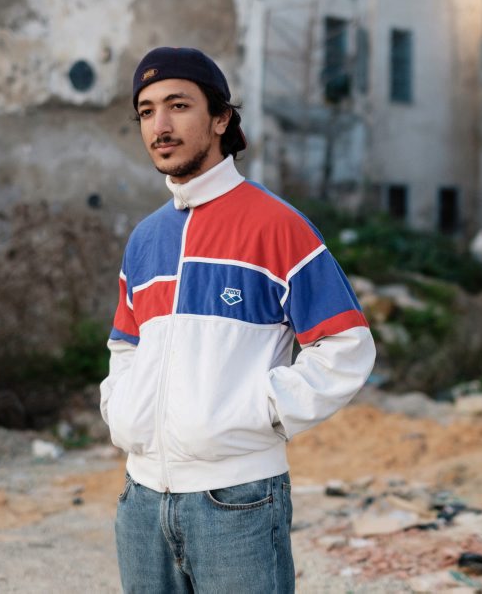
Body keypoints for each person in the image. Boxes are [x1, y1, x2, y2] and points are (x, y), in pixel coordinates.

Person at [100, 46, 376, 593]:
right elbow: (126, 348)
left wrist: (259, 411)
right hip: (141, 500)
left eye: (179, 105)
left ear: (221, 118)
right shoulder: (146, 238)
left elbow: (347, 345)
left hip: (238, 501)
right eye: (147, 111)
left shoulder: (277, 225)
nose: (160, 125)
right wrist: (122, 412)